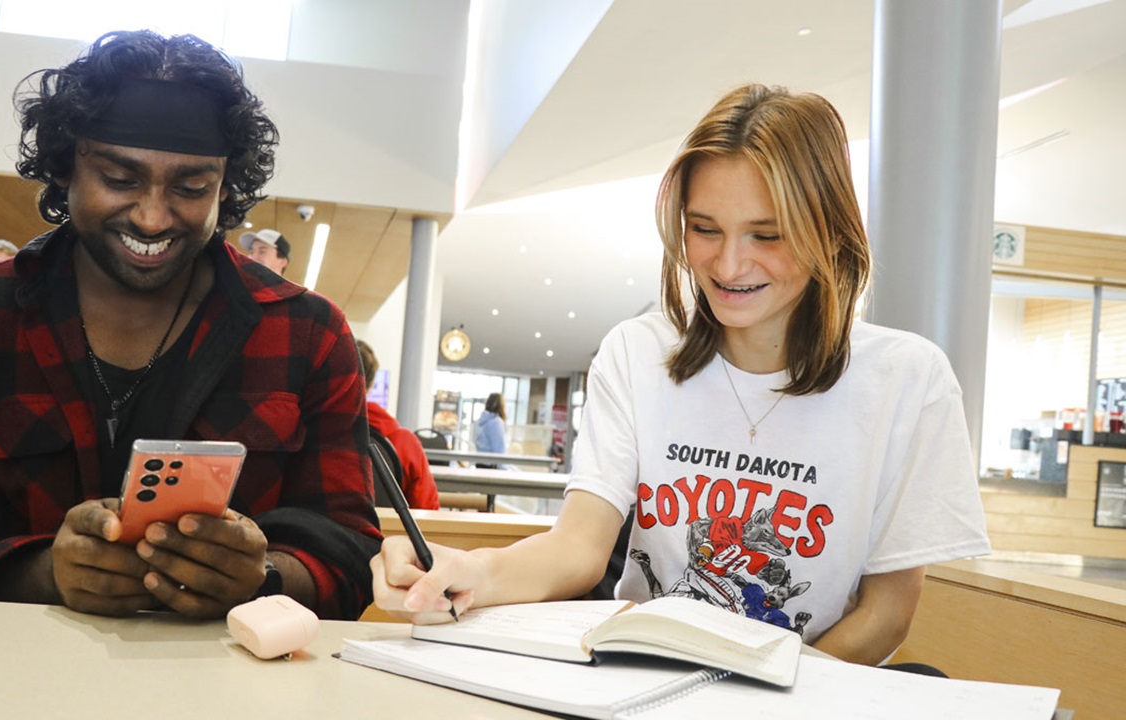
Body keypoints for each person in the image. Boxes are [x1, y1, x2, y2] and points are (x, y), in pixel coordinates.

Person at [371, 84, 991, 666]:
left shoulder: (908, 381)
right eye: (704, 229)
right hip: (639, 679)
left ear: (829, 234)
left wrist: (765, 693)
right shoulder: (636, 354)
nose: (729, 264)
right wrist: (471, 573)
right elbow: (578, 549)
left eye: (767, 235)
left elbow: (887, 613)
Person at [0, 30, 382, 621]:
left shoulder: (307, 334)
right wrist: (42, 574)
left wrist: (262, 578)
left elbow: (349, 554)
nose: (153, 217)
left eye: (191, 188)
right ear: (65, 168)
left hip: (227, 677)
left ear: (225, 187)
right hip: (0, 674)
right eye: (119, 179)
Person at [356, 340, 440, 509]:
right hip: (388, 527)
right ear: (371, 384)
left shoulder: (311, 434)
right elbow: (426, 509)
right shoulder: (405, 443)